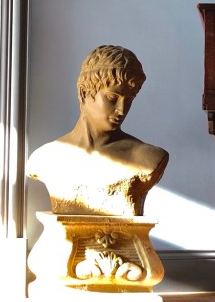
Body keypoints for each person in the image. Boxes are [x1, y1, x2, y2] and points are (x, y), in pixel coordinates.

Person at [27, 45, 168, 218]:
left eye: (129, 99)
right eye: (112, 97)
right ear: (84, 93)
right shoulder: (46, 158)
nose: (122, 109)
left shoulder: (147, 158)